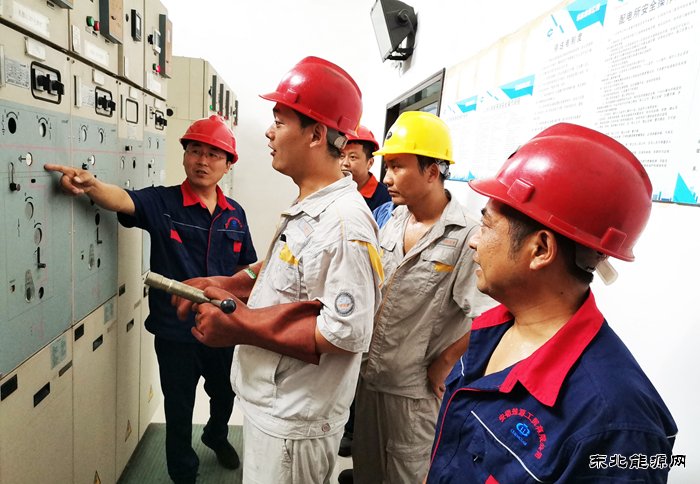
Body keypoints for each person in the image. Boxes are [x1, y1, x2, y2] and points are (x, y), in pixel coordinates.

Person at [426, 123, 677, 483]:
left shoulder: (618, 425)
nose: (474, 241)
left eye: (487, 225)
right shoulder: (493, 330)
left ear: (540, 249)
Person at [173, 56, 383, 484]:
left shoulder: (344, 224)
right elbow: (284, 268)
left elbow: (345, 331)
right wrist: (228, 283)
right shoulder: (312, 206)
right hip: (275, 408)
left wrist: (239, 325)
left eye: (279, 122)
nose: (269, 133)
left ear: (316, 134)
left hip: (295, 421)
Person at [44, 115, 256, 484]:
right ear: (185, 156)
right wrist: (92, 185)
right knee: (179, 407)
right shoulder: (163, 202)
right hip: (175, 332)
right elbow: (122, 199)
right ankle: (183, 474)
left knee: (225, 393)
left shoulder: (235, 214)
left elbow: (244, 270)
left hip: (222, 328)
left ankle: (215, 435)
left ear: (228, 164)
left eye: (213, 155)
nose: (202, 161)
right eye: (195, 151)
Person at [343, 111, 495, 484]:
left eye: (397, 167)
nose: (387, 178)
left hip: (414, 395)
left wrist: (446, 361)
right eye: (387, 167)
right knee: (366, 471)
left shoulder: (466, 235)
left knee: (407, 475)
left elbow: (488, 317)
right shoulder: (394, 219)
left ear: (432, 171)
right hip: (370, 378)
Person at [340, 125, 391, 212]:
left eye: (352, 157)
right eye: (341, 156)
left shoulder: (386, 199)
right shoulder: (332, 190)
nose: (345, 163)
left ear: (370, 163)